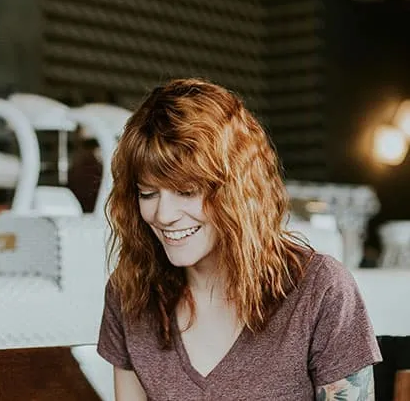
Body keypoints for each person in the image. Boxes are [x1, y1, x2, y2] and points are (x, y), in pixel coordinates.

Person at [97, 78, 382, 400]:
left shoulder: (321, 290)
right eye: (148, 194)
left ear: (237, 189)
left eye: (187, 192)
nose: (163, 215)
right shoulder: (129, 293)